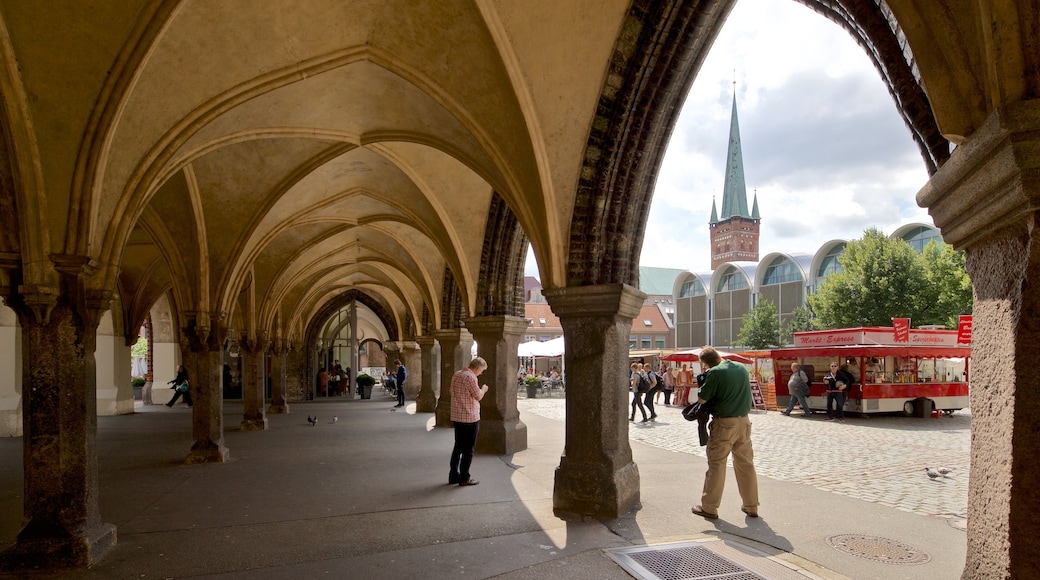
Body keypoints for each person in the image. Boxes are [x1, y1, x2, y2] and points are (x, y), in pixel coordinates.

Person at [691, 346, 759, 520]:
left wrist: (704, 380)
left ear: (704, 363)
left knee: (717, 463)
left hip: (724, 423)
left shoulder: (715, 373)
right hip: (744, 421)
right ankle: (751, 505)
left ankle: (709, 507)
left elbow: (702, 398)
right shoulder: (741, 368)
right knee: (745, 463)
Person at [448, 357, 489, 486]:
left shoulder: (457, 374)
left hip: (457, 416)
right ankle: (464, 478)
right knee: (468, 450)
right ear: (477, 368)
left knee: (458, 447)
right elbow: (478, 396)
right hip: (470, 417)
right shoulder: (470, 377)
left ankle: (453, 475)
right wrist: (484, 389)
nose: (481, 373)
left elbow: (451, 392)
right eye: (481, 370)